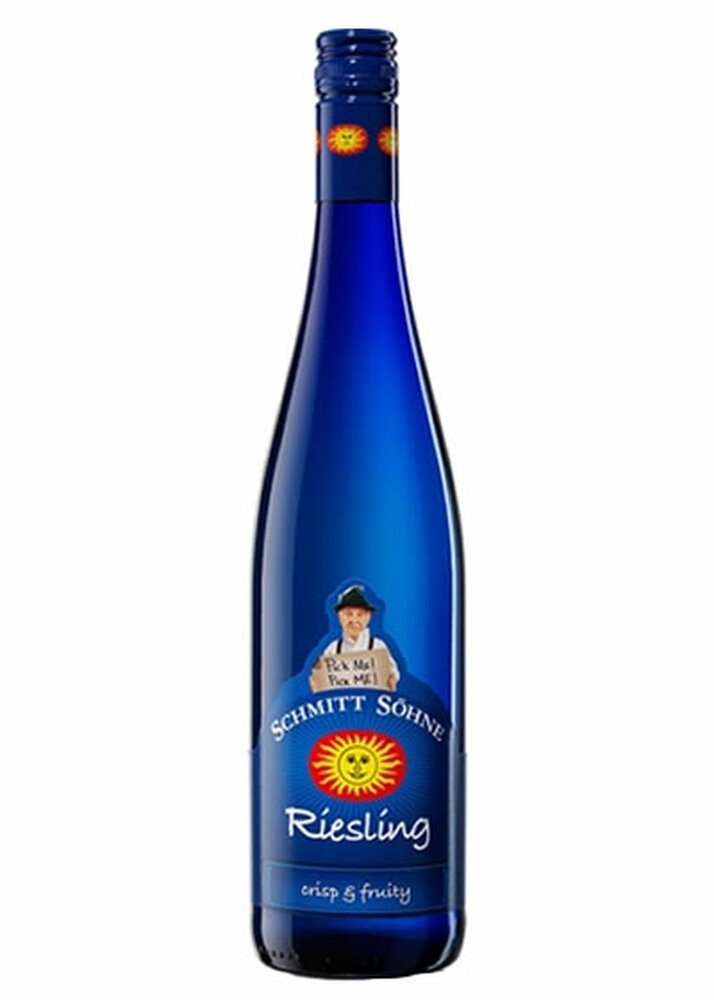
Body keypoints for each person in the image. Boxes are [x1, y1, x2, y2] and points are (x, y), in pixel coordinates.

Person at [321, 586, 400, 691]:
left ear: (368, 617)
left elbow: (392, 678)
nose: (354, 620)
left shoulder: (378, 646)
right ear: (340, 616)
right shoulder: (333, 649)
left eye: (360, 615)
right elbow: (321, 682)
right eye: (348, 614)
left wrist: (390, 679)